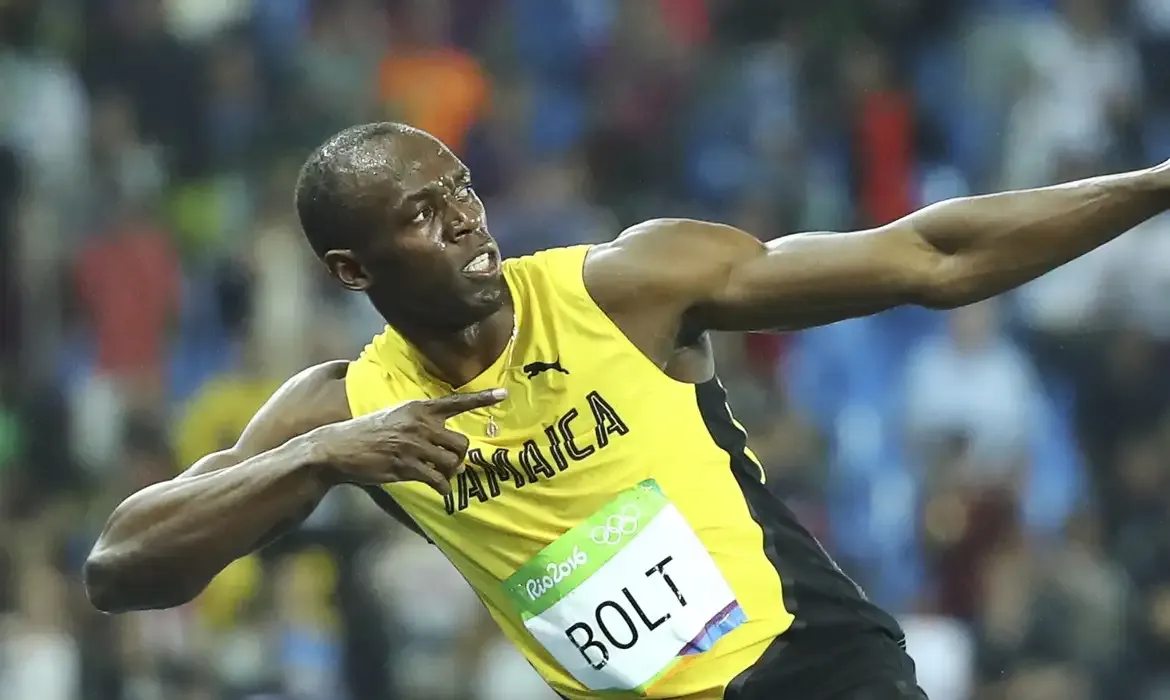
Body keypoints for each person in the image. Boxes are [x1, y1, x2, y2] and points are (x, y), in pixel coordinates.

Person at [83, 122, 1170, 700]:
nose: (466, 220)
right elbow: (122, 566)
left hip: (814, 670)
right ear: (350, 267)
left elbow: (930, 256)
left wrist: (1158, 182)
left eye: (462, 187)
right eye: (423, 214)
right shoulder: (346, 407)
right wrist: (322, 457)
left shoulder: (624, 287)